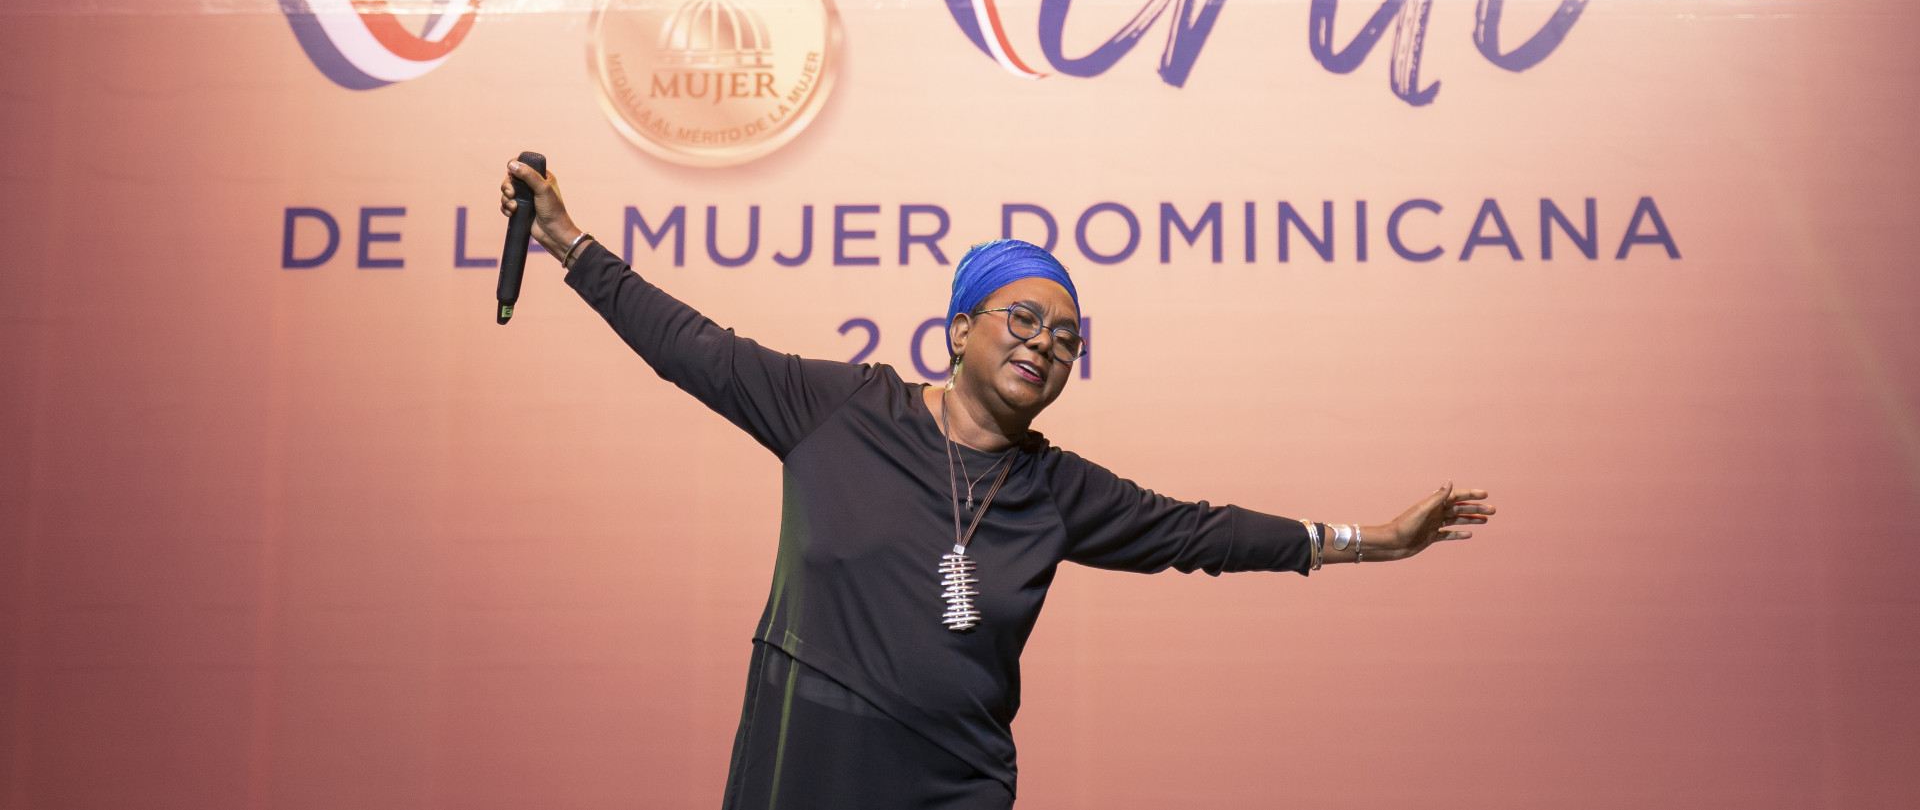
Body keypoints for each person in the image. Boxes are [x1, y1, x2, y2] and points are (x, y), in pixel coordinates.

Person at [501, 160, 1495, 810]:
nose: (1045, 345)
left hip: (956, 784)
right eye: (1024, 319)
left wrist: (1373, 539)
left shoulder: (1057, 489)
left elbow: (1204, 533)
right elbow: (693, 349)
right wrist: (567, 240)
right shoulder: (843, 410)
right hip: (811, 762)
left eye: (1066, 339)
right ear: (958, 328)